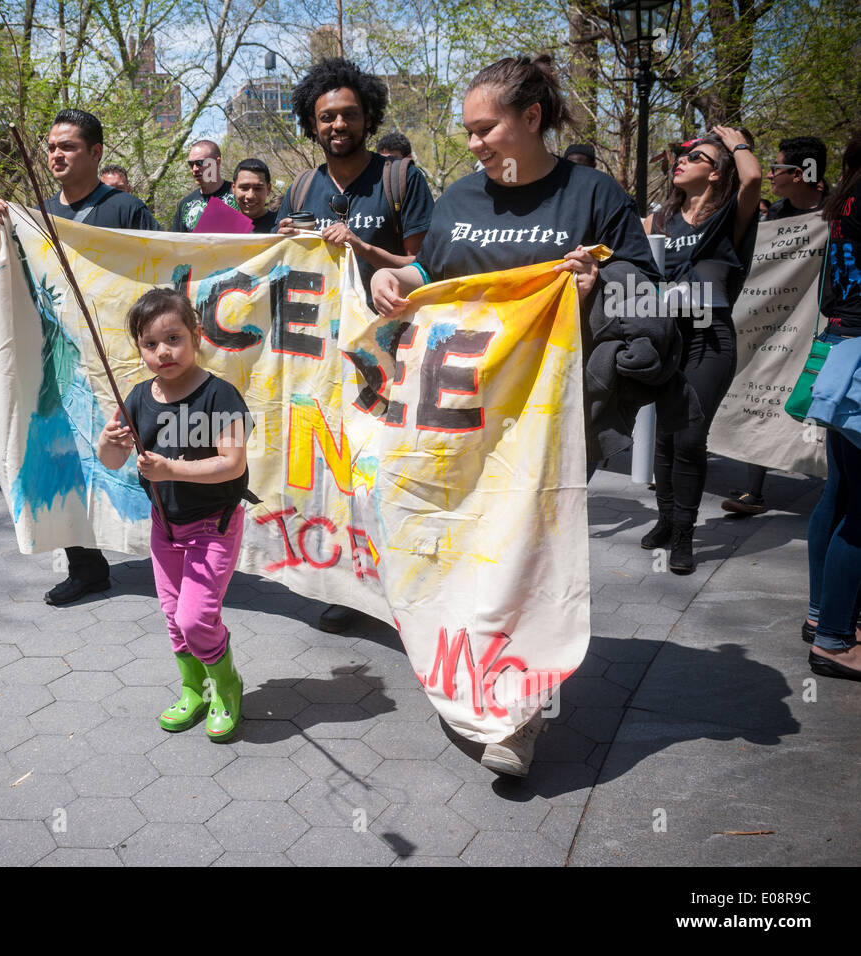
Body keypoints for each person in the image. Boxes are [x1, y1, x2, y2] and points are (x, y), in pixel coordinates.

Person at [369, 55, 664, 777]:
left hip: (550, 421)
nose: (474, 144)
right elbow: (433, 277)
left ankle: (518, 718)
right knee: (467, 546)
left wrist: (601, 287)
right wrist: (392, 279)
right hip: (457, 418)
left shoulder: (594, 195)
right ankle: (467, 665)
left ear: (532, 119)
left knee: (529, 554)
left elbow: (646, 296)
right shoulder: (461, 200)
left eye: (485, 128)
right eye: (467, 132)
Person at [277, 56, 436, 634]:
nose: (336, 125)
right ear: (311, 124)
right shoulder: (300, 188)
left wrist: (364, 251)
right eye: (325, 118)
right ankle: (349, 585)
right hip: (324, 362)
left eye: (347, 115)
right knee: (337, 474)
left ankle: (404, 591)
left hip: (394, 355)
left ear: (367, 117)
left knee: (390, 473)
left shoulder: (401, 180)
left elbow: (429, 268)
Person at [0, 107, 161, 606]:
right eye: (50, 147)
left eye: (67, 147)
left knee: (137, 453)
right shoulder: (39, 217)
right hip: (61, 367)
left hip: (121, 363)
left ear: (96, 152)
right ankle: (86, 567)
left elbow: (157, 275)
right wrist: (2, 230)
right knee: (64, 459)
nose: (55, 155)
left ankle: (179, 551)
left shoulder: (125, 210)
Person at [97, 288, 251, 741]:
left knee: (195, 617)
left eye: (174, 338)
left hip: (214, 525)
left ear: (197, 336)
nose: (164, 351)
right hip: (165, 527)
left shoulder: (220, 395)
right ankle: (194, 687)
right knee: (173, 616)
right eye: (150, 343)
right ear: (140, 349)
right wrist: (110, 440)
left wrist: (169, 469)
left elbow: (232, 463)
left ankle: (227, 686)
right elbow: (109, 460)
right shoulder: (140, 397)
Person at [638, 128, 761, 573]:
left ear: (715, 172)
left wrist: (735, 144)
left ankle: (685, 535)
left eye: (696, 156)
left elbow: (751, 180)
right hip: (670, 336)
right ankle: (666, 520)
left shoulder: (730, 215)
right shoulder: (662, 218)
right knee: (666, 437)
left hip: (711, 339)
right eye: (682, 155)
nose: (682, 160)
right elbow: (623, 244)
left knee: (689, 436)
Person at [724, 136, 830, 517]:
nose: (770, 175)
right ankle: (755, 491)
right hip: (778, 326)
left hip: (827, 327)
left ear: (802, 174)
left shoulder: (838, 213)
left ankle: (834, 489)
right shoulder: (774, 217)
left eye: (777, 169)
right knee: (764, 391)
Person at [805, 127, 861, 681]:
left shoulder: (845, 194)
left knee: (841, 493)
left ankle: (827, 617)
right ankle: (835, 640)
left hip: (844, 348)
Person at [171, 140, 241, 232]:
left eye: (200, 163)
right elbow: (177, 243)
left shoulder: (238, 195)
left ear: (217, 162)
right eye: (191, 164)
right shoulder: (185, 204)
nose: (195, 169)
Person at [231, 158, 276, 233]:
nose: (250, 196)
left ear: (268, 189)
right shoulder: (219, 226)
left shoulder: (280, 226)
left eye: (258, 188)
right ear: (233, 188)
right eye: (244, 188)